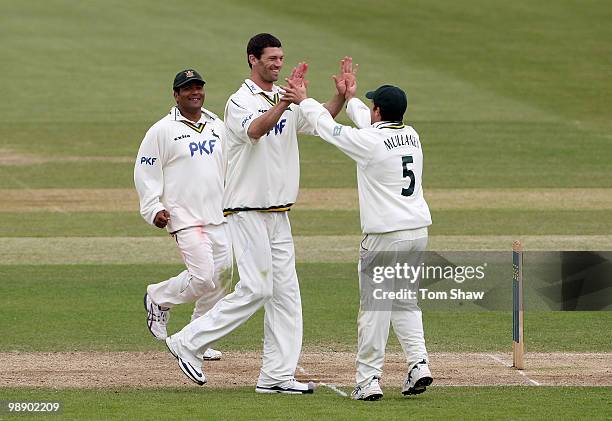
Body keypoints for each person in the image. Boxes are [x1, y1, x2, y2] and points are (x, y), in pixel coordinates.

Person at [164, 33, 355, 392]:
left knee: (286, 296)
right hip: (247, 208)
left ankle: (276, 376)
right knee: (255, 288)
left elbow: (317, 121)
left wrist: (340, 98)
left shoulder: (278, 97)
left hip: (278, 211)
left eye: (281, 58)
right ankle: (187, 342)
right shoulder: (240, 101)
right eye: (271, 58)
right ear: (253, 59)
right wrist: (284, 103)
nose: (278, 64)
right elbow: (255, 130)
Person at [282, 68, 434, 400]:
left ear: (378, 110)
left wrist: (306, 102)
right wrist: (350, 98)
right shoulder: (411, 134)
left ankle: (368, 380)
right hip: (416, 232)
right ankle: (418, 364)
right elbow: (367, 124)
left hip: (385, 236)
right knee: (405, 302)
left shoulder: (370, 141)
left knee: (375, 309)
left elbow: (328, 129)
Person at [134, 69, 231, 362]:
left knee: (221, 276)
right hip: (186, 218)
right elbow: (145, 171)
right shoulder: (162, 130)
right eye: (187, 89)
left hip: (219, 215)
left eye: (198, 87)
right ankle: (158, 297)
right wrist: (153, 208)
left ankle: (198, 338)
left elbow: (232, 166)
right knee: (202, 279)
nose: (195, 92)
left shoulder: (217, 125)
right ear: (176, 95)